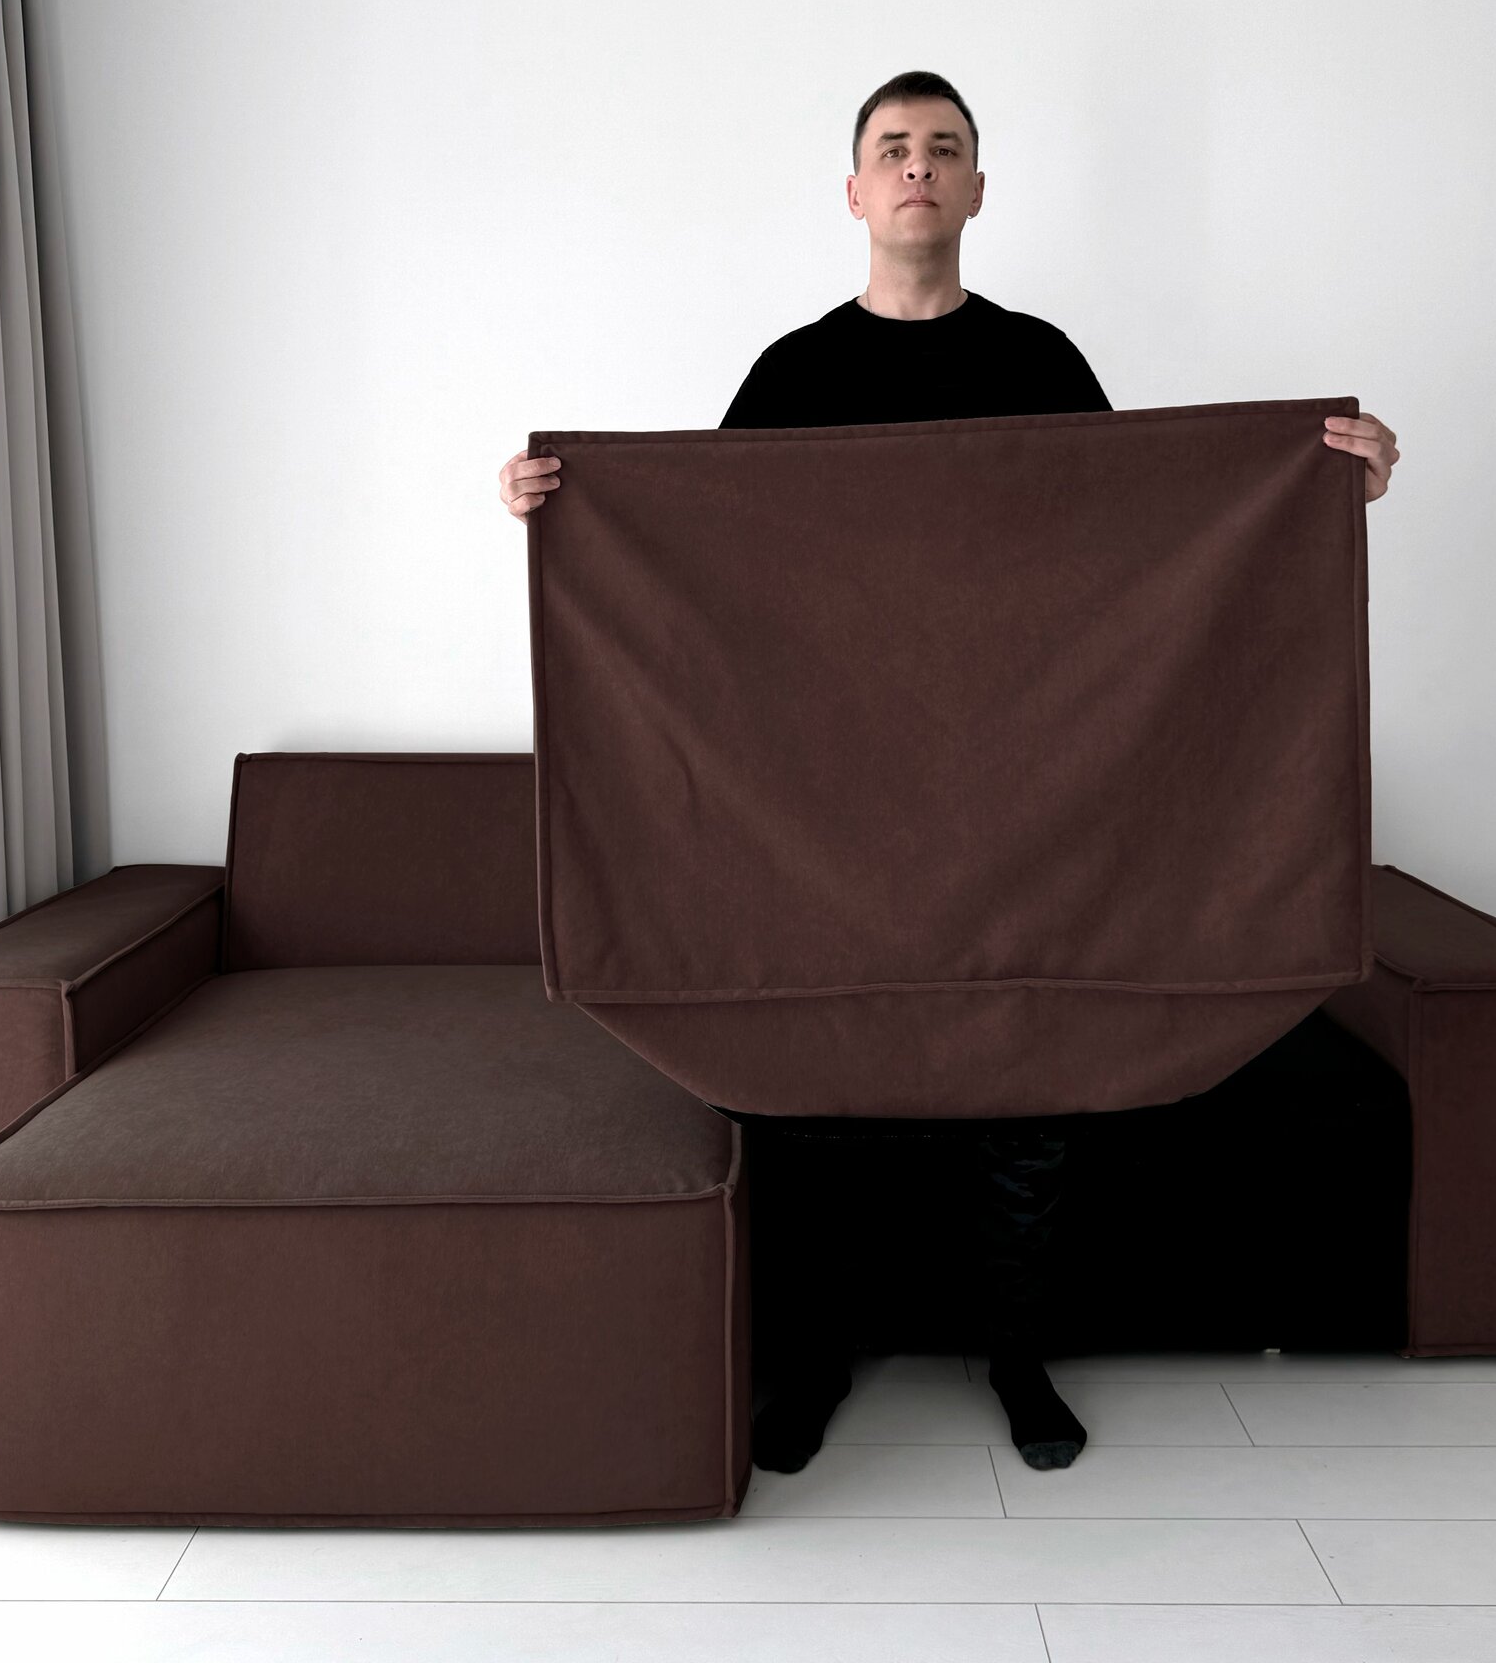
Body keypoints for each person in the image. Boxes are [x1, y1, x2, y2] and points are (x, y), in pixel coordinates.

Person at [498, 72, 1401, 1473]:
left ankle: (1018, 1355)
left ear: (978, 188)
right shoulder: (792, 376)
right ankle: (812, 1360)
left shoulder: (1043, 364)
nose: (919, 166)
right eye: (894, 148)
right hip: (829, 815)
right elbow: (705, 568)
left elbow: (1148, 544)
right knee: (810, 1093)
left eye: (945, 148)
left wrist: (1325, 485)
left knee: (1028, 1098)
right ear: (856, 192)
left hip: (1021, 807)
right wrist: (565, 513)